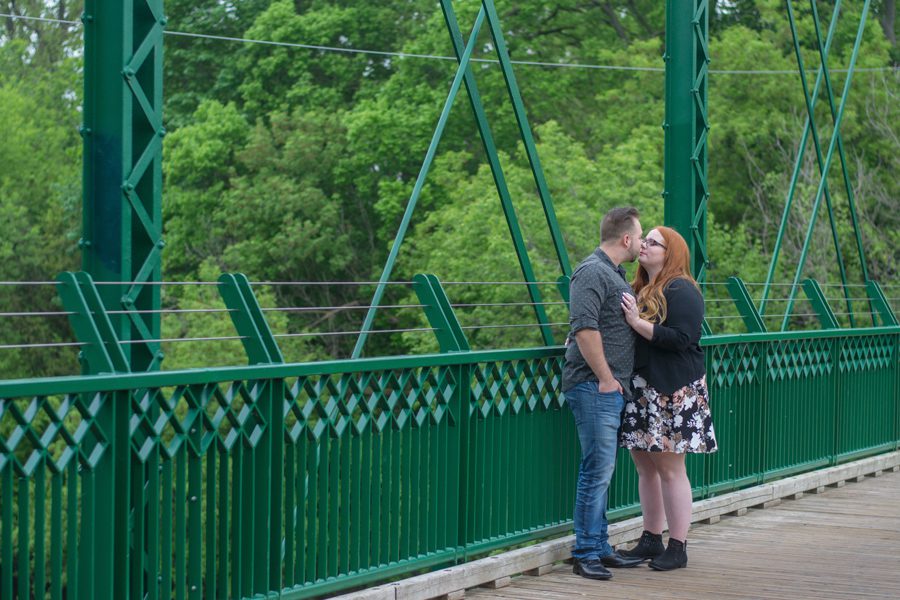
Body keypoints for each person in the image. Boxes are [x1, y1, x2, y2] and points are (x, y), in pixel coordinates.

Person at [617, 226, 718, 571]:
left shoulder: (682, 289)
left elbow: (682, 338)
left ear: (670, 252)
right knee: (645, 466)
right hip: (644, 389)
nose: (644, 245)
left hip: (673, 390)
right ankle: (650, 538)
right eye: (644, 240)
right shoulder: (642, 287)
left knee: (671, 469)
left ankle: (678, 545)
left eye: (652, 242)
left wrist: (636, 321)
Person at [563, 206, 646, 580]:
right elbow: (584, 328)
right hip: (595, 387)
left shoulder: (613, 274)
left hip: (609, 389)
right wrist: (606, 378)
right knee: (596, 472)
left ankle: (600, 547)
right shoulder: (592, 272)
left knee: (602, 471)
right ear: (626, 239)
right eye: (640, 236)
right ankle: (584, 553)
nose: (642, 243)